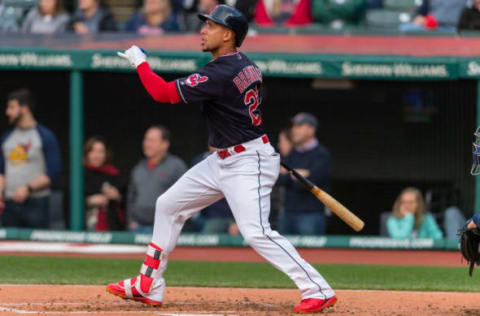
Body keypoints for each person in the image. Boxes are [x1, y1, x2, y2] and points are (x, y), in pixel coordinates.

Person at [109, 5, 337, 313]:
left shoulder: (221, 72)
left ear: (228, 35)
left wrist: (141, 63)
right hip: (227, 158)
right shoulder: (246, 65)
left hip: (247, 161)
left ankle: (318, 288)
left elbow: (162, 93)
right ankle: (149, 283)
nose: (203, 30)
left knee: (256, 232)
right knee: (168, 206)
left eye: (211, 26)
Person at [0, 89, 61, 229]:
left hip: (37, 203)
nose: (8, 112)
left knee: (37, 247)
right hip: (10, 204)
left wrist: (28, 188)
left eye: (12, 107)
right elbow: (1, 171)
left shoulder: (45, 136)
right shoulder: (7, 137)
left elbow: (53, 172)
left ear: (25, 109)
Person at [277, 113, 331, 236]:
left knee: (312, 255)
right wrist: (298, 174)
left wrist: (290, 174)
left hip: (311, 214)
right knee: (284, 252)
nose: (294, 130)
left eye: (299, 126)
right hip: (287, 213)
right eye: (294, 126)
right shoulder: (292, 154)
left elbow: (308, 184)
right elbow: (278, 179)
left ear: (311, 129)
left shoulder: (321, 154)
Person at [126, 125, 187, 234]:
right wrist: (131, 221)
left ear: (165, 144)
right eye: (146, 140)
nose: (147, 144)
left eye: (152, 140)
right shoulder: (138, 168)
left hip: (165, 229)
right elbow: (131, 197)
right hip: (137, 228)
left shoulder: (176, 166)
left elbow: (187, 197)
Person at [84, 136, 125, 231]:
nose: (97, 155)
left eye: (100, 151)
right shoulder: (79, 176)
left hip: (111, 229)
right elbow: (68, 203)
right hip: (85, 230)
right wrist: (89, 201)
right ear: (87, 154)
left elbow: (128, 202)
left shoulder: (114, 174)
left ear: (106, 154)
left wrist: (117, 197)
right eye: (93, 151)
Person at [399, 0, 467, 32]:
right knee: (404, 28)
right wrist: (420, 19)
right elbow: (421, 13)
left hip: (452, 28)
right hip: (430, 27)